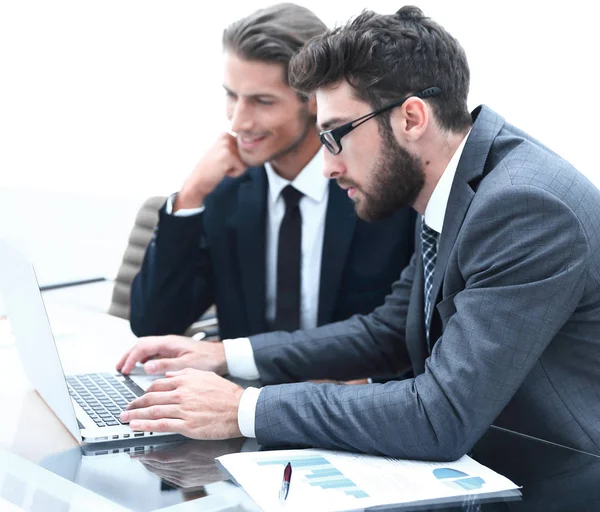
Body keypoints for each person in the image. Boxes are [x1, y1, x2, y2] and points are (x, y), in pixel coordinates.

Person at [117, 6, 600, 461]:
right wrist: (228, 355)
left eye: (335, 135)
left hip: (550, 479)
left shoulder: (523, 208)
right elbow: (388, 332)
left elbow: (440, 416)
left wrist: (243, 410)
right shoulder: (453, 186)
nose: (326, 166)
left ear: (411, 119)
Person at [128, 3, 416, 345]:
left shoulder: (382, 189)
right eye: (231, 96)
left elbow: (409, 335)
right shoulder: (224, 193)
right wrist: (190, 196)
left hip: (346, 395)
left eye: (262, 101)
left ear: (315, 99)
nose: (237, 122)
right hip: (239, 393)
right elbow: (154, 325)